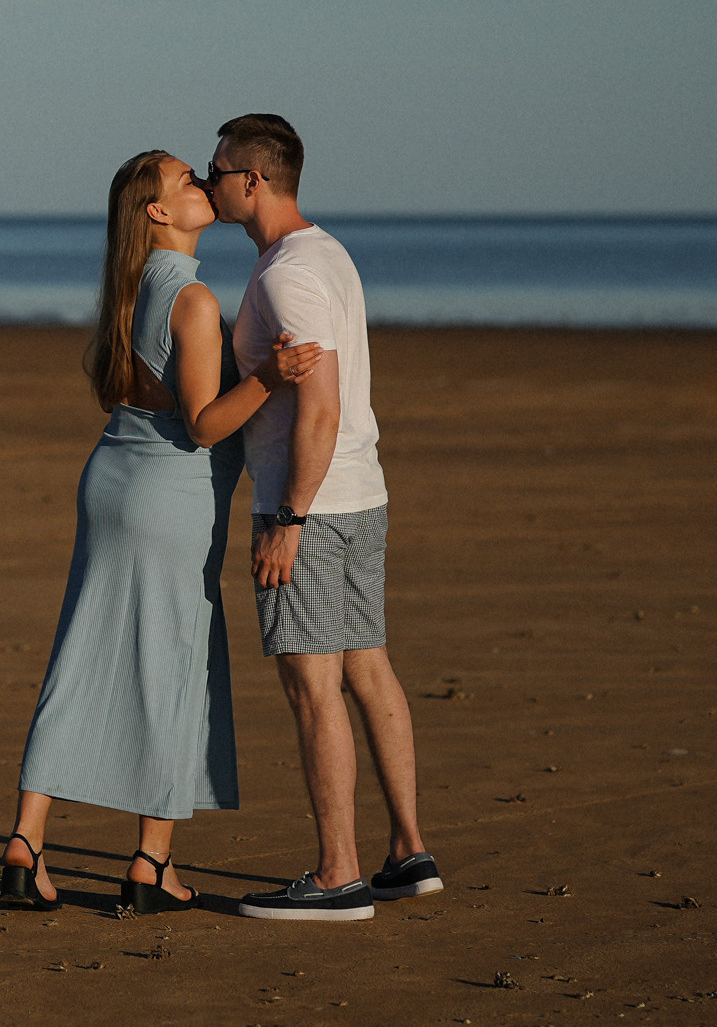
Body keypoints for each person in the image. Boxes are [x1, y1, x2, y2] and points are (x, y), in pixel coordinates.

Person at [1, 150, 320, 915]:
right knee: (179, 668)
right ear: (156, 211)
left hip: (111, 476)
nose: (202, 186)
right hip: (169, 496)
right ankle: (151, 864)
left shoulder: (131, 287)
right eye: (186, 182)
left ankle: (25, 844)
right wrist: (272, 378)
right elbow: (207, 426)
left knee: (79, 659)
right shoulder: (195, 300)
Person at [205, 113, 440, 922]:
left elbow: (321, 408)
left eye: (218, 169)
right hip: (360, 495)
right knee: (367, 668)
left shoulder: (285, 276)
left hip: (314, 501)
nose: (210, 182)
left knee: (315, 688)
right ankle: (407, 851)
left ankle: (338, 875)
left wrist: (288, 519)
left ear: (255, 180)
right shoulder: (323, 254)